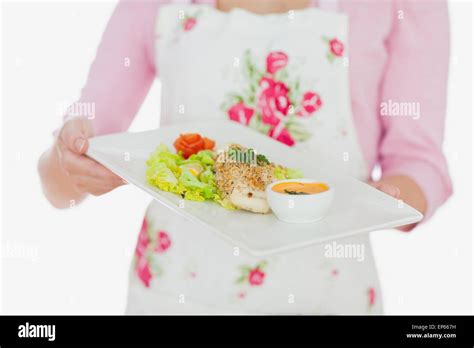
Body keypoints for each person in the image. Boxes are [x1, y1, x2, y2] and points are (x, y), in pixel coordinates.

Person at [38, 0, 452, 314]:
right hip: (175, 292)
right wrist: (72, 160)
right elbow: (63, 179)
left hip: (329, 294)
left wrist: (382, 200)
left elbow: (420, 164)